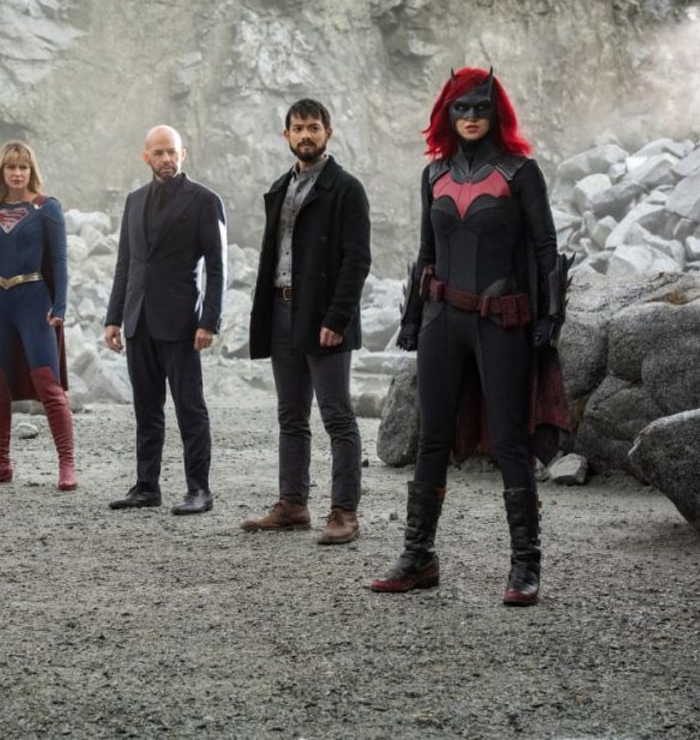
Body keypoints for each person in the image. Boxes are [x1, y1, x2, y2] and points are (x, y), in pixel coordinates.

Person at [370, 67, 570, 606]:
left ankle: (525, 566)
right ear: (448, 113)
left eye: (481, 107)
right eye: (462, 107)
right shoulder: (433, 174)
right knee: (431, 437)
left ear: (496, 112)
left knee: (510, 441)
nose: (472, 116)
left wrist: (550, 319)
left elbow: (546, 249)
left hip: (501, 321)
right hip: (441, 320)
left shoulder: (521, 172)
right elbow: (427, 253)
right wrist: (411, 318)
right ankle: (418, 556)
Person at [241, 99, 371, 543]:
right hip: (282, 311)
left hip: (323, 317)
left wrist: (338, 318)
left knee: (337, 416)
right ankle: (293, 504)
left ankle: (344, 513)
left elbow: (357, 260)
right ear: (286, 135)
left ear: (328, 133)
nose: (305, 135)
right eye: (298, 128)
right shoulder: (281, 187)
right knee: (291, 415)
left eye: (314, 127)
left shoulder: (346, 189)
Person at [105, 125, 226, 515]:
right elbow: (126, 263)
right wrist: (113, 318)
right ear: (147, 158)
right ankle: (146, 486)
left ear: (183, 154)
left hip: (182, 323)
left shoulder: (205, 201)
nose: (166, 159)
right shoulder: (134, 201)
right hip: (138, 320)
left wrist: (209, 321)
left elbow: (218, 268)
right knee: (146, 409)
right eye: (158, 153)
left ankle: (199, 490)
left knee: (190, 408)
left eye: (172, 151)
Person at [0, 140, 76, 492]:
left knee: (49, 384)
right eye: (11, 167)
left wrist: (60, 305)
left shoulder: (46, 208)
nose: (17, 173)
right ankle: (1, 463)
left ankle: (67, 464)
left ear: (31, 171)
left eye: (23, 167)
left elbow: (59, 260)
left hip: (34, 300)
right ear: (1, 172)